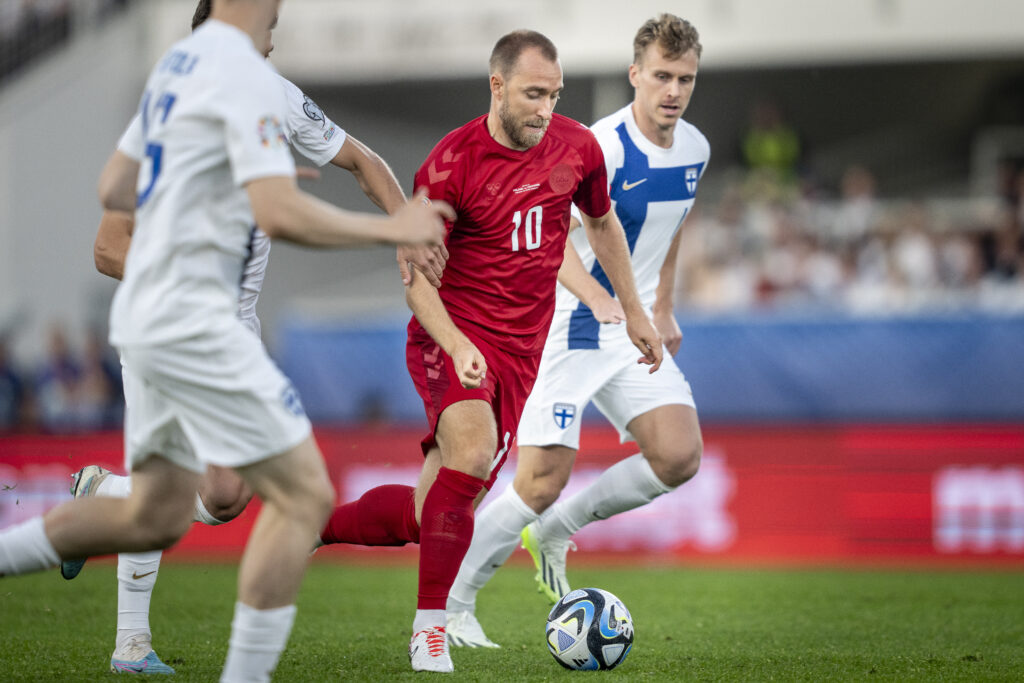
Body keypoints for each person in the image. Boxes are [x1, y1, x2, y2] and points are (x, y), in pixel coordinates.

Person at [0, 2, 450, 682]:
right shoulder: (238, 77)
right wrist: (389, 232)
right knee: (301, 491)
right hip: (197, 321)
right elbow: (138, 239)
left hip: (169, 321)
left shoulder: (181, 74)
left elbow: (113, 185)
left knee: (164, 507)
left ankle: (120, 611)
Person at [315, 29, 663, 673]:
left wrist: (633, 310)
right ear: (497, 87)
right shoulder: (450, 164)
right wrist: (455, 344)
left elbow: (601, 222)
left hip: (521, 354)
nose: (545, 109)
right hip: (448, 333)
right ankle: (430, 630)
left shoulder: (577, 147)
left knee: (433, 517)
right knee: (472, 453)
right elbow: (415, 275)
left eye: (554, 95)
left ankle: (313, 524)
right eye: (533, 94)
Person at [444, 14, 708, 649]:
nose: (673, 91)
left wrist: (662, 306)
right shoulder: (599, 145)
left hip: (633, 324)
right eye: (662, 77)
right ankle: (451, 606)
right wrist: (599, 296)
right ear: (635, 75)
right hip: (569, 323)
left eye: (686, 79)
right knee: (539, 479)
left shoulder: (696, 146)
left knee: (679, 456)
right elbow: (552, 232)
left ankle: (559, 529)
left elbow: (670, 230)